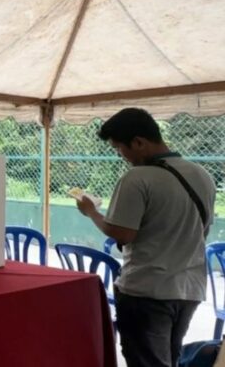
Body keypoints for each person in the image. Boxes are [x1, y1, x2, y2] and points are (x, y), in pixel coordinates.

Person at [75, 108, 215, 367]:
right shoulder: (202, 175)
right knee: (169, 359)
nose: (122, 156)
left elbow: (123, 234)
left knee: (146, 360)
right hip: (189, 289)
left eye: (120, 149)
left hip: (147, 290)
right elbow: (202, 230)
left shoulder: (137, 178)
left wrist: (92, 212)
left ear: (138, 142)